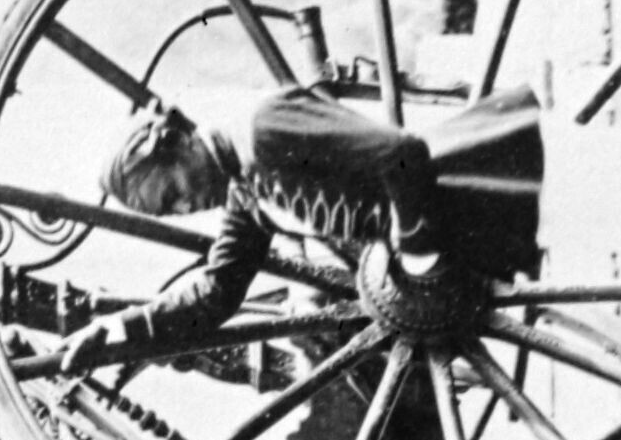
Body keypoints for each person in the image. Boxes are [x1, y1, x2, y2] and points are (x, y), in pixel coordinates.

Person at [64, 80, 547, 378]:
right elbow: (218, 291)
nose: (188, 206)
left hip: (492, 174)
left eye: (174, 192)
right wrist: (121, 326)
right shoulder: (245, 195)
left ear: (177, 143)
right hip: (465, 236)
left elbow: (401, 152)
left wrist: (417, 252)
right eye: (173, 212)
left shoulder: (264, 126)